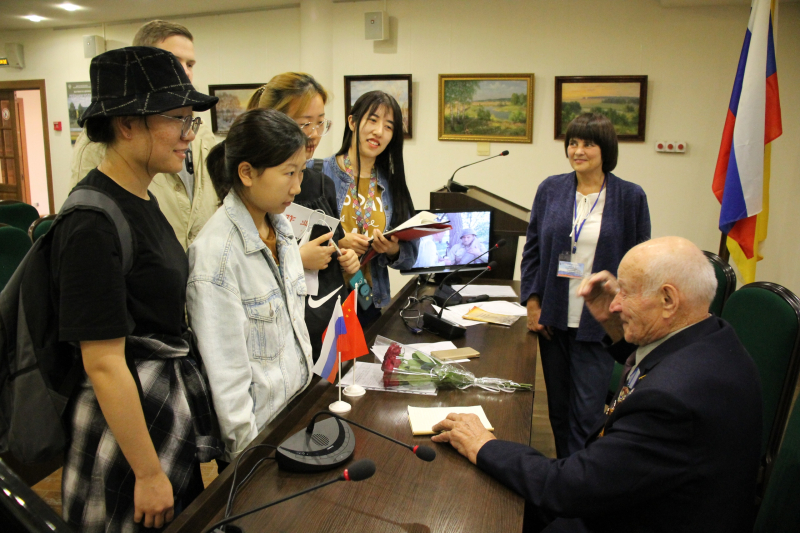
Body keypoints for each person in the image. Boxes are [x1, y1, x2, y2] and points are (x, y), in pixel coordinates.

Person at [432, 237, 763, 533]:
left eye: (627, 292)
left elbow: (570, 488)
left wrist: (483, 445)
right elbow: (653, 363)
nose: (616, 303)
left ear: (668, 299)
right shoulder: (712, 336)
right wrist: (612, 323)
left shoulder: (672, 400)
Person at [55, 47, 221, 532]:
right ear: (126, 124)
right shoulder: (91, 221)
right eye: (179, 121)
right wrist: (148, 473)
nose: (189, 136)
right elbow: (103, 363)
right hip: (126, 433)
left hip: (157, 415)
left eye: (192, 122)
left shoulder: (142, 197)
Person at [186, 109, 314, 467]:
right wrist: (249, 462)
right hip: (259, 446)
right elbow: (227, 379)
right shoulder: (217, 256)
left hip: (294, 419)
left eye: (300, 172)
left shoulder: (282, 229)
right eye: (289, 173)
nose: (297, 186)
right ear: (246, 173)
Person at [520, 113, 650, 458]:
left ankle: (582, 487)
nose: (578, 151)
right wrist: (533, 302)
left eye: (588, 143)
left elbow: (638, 264)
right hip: (555, 321)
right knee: (558, 413)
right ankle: (566, 474)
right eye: (573, 143)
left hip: (599, 324)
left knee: (588, 415)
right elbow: (533, 248)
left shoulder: (630, 197)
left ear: (605, 148)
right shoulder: (551, 189)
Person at [70, 20, 218, 250]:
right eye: (174, 62)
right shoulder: (101, 145)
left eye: (190, 63)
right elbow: (93, 221)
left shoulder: (201, 134)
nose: (184, 71)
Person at [247, 73, 359, 361]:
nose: (313, 134)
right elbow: (247, 270)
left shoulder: (322, 183)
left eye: (320, 122)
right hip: (283, 336)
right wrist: (297, 258)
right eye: (303, 123)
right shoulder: (257, 189)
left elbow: (334, 247)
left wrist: (346, 259)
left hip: (329, 322)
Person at [320, 91, 418, 325]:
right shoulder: (320, 174)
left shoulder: (392, 184)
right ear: (353, 122)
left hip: (369, 300)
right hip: (326, 299)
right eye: (373, 120)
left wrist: (392, 250)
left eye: (388, 126)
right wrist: (339, 242)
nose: (378, 132)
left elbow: (410, 257)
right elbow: (296, 240)